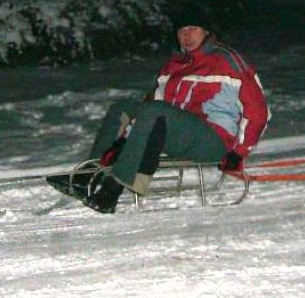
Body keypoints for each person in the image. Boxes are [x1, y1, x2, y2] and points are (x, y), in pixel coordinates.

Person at [54, 25, 270, 213]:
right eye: (182, 30)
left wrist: (238, 153)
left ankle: (113, 189)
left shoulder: (228, 62)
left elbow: (258, 112)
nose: (187, 35)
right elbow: (150, 109)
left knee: (156, 110)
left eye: (193, 29)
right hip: (177, 134)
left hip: (215, 140)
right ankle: (87, 177)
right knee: (124, 108)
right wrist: (125, 138)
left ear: (207, 32)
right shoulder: (175, 65)